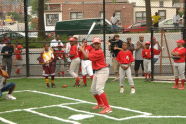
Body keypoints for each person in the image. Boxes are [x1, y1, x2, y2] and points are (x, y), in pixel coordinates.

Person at [79, 37, 112, 114]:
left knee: (99, 89)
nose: (96, 44)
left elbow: (86, 57)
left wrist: (81, 49)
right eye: (95, 43)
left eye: (97, 43)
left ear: (100, 44)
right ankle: (100, 104)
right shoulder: (93, 49)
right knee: (93, 90)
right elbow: (88, 48)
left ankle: (108, 107)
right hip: (97, 71)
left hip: (103, 71)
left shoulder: (99, 52)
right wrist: (84, 44)